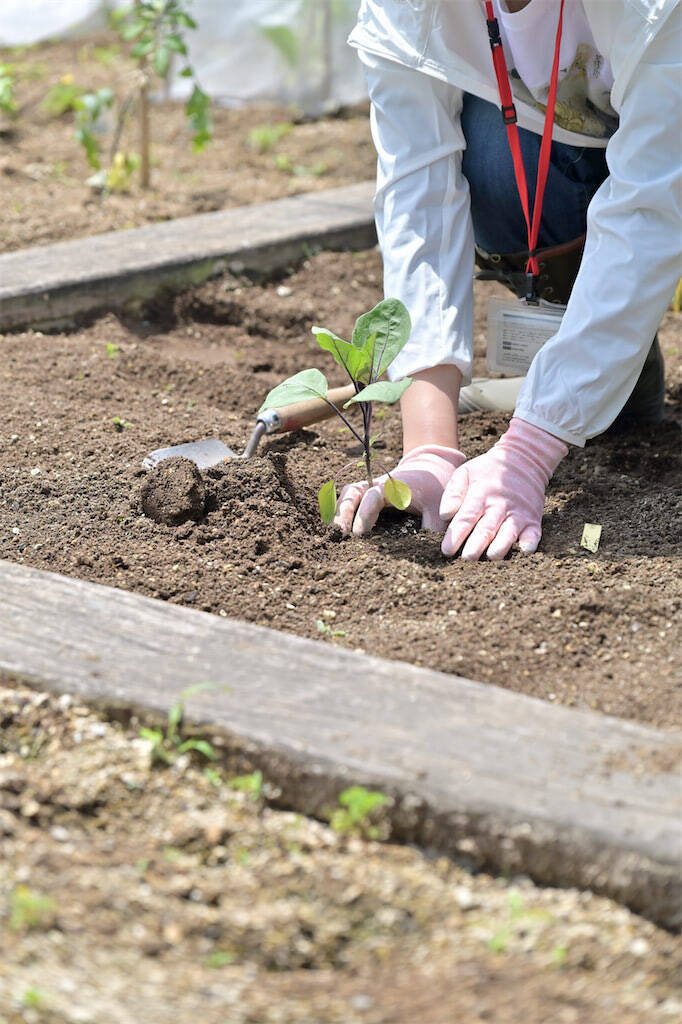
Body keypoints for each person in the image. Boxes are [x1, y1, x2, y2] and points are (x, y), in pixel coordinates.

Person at [334, 0, 681, 561]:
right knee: (493, 159)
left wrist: (528, 451)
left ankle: (600, 374)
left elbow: (655, 202)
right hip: (581, 145)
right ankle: (609, 361)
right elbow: (417, 191)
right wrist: (428, 450)